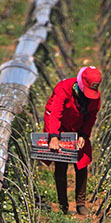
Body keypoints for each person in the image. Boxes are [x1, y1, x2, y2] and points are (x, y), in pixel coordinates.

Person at [43, 66, 102, 215]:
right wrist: (54, 136)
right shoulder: (64, 88)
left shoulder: (94, 98)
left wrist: (83, 135)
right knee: (61, 161)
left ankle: (80, 203)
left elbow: (91, 117)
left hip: (78, 127)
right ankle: (63, 204)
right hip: (59, 126)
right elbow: (55, 113)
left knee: (82, 162)